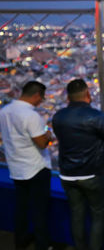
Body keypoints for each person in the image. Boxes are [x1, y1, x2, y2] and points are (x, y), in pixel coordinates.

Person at [52, 79, 104, 250]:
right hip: (91, 173)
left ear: (68, 97)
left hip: (66, 174)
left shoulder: (58, 117)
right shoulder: (96, 116)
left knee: (76, 214)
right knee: (98, 215)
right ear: (87, 94)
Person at [0, 81, 53, 250]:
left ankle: (20, 241)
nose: (41, 101)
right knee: (40, 211)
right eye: (42, 98)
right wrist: (48, 135)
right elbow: (42, 143)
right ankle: (42, 245)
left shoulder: (5, 111)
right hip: (35, 167)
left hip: (16, 167)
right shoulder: (31, 115)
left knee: (21, 208)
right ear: (37, 95)